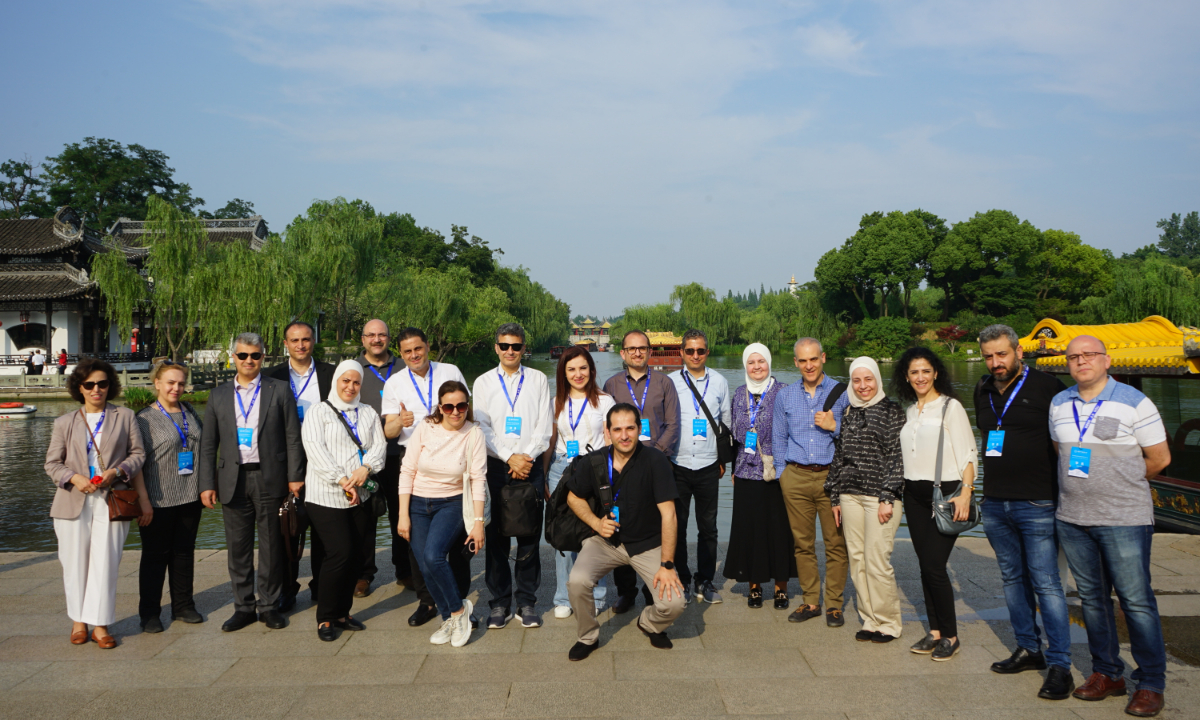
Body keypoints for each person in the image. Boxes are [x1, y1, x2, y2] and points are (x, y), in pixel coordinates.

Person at [1050, 335, 1171, 717]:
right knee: (1092, 601)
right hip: (1073, 518)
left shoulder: (1135, 401)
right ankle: (1107, 672)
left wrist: (1121, 482)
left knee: (1136, 602)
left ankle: (1150, 682)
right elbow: (1062, 452)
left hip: (1124, 519)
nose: (1081, 360)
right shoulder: (1059, 403)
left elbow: (1159, 458)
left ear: (1106, 360)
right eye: (1074, 356)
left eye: (1089, 354)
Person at [974, 325, 1074, 699]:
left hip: (1037, 502)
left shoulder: (1049, 387)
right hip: (995, 501)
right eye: (988, 356)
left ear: (1018, 351)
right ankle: (1029, 648)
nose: (995, 363)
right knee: (1012, 579)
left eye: (1002, 354)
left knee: (1046, 583)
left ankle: (1061, 665)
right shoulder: (983, 388)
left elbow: (1068, 441)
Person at [198, 332, 304, 632]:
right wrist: (207, 483)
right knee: (238, 548)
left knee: (272, 547)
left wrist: (295, 476)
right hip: (232, 479)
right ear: (233, 357)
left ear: (263, 357)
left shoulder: (279, 390)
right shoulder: (218, 395)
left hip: (270, 477)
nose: (249, 360)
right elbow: (208, 444)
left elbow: (292, 437)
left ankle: (269, 605)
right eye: (243, 355)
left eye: (255, 355)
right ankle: (243, 607)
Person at [564, 403, 687, 660]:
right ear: (607, 432)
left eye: (630, 428)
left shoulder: (655, 461)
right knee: (577, 581)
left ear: (639, 429)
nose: (624, 435)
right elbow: (573, 498)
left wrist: (667, 564)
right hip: (605, 542)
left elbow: (669, 515)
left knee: (675, 603)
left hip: (647, 543)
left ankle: (649, 623)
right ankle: (587, 637)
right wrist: (596, 523)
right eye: (617, 429)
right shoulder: (595, 461)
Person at [44, 358, 145, 648]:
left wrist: (117, 471)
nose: (96, 389)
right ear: (80, 388)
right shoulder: (64, 422)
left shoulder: (124, 416)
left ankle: (100, 625)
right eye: (89, 384)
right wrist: (74, 478)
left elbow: (138, 454)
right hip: (72, 500)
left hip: (111, 499)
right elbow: (52, 464)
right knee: (74, 563)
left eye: (102, 383)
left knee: (106, 562)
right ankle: (79, 622)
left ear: (110, 385)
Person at [381, 326, 474, 628]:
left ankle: (459, 597)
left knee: (455, 540)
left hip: (452, 457)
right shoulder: (395, 383)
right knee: (415, 540)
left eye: (418, 348)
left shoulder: (450, 371)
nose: (414, 355)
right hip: (413, 460)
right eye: (407, 351)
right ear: (401, 353)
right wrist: (399, 421)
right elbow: (388, 431)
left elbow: (467, 411)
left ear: (428, 346)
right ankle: (427, 601)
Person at [895, 346, 978, 661]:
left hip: (946, 495)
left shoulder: (950, 407)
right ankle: (934, 632)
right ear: (907, 376)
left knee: (934, 566)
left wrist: (966, 493)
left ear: (936, 373)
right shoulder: (910, 411)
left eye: (926, 371)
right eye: (914, 372)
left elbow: (969, 453)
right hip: (914, 497)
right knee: (925, 566)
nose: (920, 377)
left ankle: (951, 636)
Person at [396, 380, 488, 648]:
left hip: (452, 503)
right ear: (440, 407)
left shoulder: (474, 434)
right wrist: (403, 514)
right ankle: (450, 617)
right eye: (449, 407)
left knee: (433, 556)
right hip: (418, 503)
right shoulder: (426, 427)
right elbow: (407, 470)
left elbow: (478, 479)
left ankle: (458, 612)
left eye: (461, 406)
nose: (455, 411)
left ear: (467, 406)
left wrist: (478, 523)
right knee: (424, 566)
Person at [473, 323, 553, 630]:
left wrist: (526, 458)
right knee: (496, 539)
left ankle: (527, 601)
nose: (510, 351)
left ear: (523, 348)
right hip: (496, 467)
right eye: (505, 346)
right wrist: (509, 457)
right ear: (496, 347)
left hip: (530, 467)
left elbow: (544, 427)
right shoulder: (483, 382)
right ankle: (500, 602)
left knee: (529, 536)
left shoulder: (538, 379)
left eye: (516, 346)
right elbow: (482, 428)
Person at [301, 361, 387, 641]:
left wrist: (366, 468)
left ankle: (342, 612)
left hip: (360, 494)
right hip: (326, 495)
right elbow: (315, 450)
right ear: (336, 381)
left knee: (356, 556)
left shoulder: (368, 412)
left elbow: (379, 446)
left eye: (356, 382)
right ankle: (325, 616)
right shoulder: (319, 411)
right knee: (339, 553)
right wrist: (341, 479)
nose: (350, 387)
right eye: (345, 381)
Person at [825, 357, 905, 643]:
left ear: (877, 379)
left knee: (877, 560)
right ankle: (870, 619)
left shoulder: (893, 411)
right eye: (856, 380)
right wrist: (835, 494)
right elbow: (840, 455)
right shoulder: (848, 411)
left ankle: (889, 623)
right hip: (850, 495)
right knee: (857, 559)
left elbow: (898, 455)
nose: (862, 386)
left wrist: (889, 496)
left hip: (879, 498)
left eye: (868, 379)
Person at [772, 338, 850, 626]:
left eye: (813, 359)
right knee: (802, 544)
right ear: (795, 362)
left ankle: (834, 604)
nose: (809, 366)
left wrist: (834, 426)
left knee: (835, 543)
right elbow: (778, 437)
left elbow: (856, 436)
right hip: (796, 476)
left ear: (823, 358)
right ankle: (811, 601)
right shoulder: (785, 395)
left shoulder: (843, 392)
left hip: (832, 477)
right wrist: (783, 474)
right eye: (803, 360)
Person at [602, 329, 681, 613]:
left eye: (642, 348)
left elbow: (673, 424)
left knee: (656, 525)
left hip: (656, 465)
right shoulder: (611, 384)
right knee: (621, 524)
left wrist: (653, 456)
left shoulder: (664, 383)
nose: (637, 353)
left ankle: (653, 589)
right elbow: (608, 427)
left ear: (650, 352)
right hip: (621, 466)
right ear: (623, 353)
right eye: (631, 349)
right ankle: (626, 591)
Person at [265, 320, 335, 610]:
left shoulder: (331, 374)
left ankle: (322, 586)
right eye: (294, 340)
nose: (301, 345)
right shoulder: (271, 377)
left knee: (324, 526)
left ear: (313, 341)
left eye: (306, 339)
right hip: (285, 461)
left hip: (324, 460)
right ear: (286, 344)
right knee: (287, 526)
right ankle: (287, 589)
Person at [134, 360, 205, 633]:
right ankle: (150, 612)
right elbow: (136, 463)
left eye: (181, 383)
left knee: (184, 553)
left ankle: (184, 605)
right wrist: (143, 500)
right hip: (157, 498)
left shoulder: (190, 411)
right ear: (157, 384)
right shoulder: (143, 419)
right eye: (171, 383)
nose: (176, 388)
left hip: (190, 496)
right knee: (155, 556)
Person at [544, 345, 615, 618]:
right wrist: (544, 475)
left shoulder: (604, 401)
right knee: (563, 532)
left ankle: (596, 594)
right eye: (571, 369)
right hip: (561, 467)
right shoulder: (556, 402)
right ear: (563, 373)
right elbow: (551, 441)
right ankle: (563, 597)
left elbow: (609, 440)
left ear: (591, 370)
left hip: (595, 467)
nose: (578, 374)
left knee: (596, 532)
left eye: (583, 368)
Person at [723, 343, 795, 609]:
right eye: (751, 362)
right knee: (750, 530)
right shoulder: (739, 393)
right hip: (745, 472)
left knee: (779, 530)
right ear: (745, 365)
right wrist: (733, 469)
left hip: (777, 472)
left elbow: (793, 431)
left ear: (769, 363)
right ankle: (754, 586)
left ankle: (781, 587)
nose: (756, 367)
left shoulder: (784, 391)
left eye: (761, 361)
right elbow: (734, 437)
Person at [668, 329, 730, 604]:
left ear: (707, 352)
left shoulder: (719, 382)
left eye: (700, 350)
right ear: (681, 352)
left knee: (708, 527)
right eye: (690, 350)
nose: (695, 355)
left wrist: (722, 460)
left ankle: (705, 579)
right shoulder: (670, 382)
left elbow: (725, 423)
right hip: (677, 464)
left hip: (708, 464)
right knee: (677, 525)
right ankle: (681, 577)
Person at [356, 319, 410, 598]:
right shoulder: (353, 369)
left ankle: (405, 570)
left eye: (382, 335)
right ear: (363, 339)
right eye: (371, 335)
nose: (377, 339)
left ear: (389, 338)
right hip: (364, 457)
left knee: (402, 513)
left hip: (400, 454)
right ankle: (363, 574)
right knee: (365, 517)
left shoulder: (404, 366)